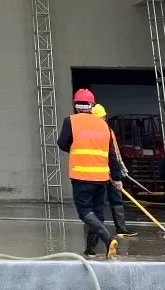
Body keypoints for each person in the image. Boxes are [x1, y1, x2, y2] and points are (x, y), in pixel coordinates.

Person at [57, 89, 124, 259]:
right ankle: (90, 250)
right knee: (98, 213)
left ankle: (108, 239)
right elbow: (111, 154)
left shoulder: (70, 121)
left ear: (76, 105)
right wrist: (117, 178)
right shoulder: (104, 125)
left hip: (81, 176)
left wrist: (76, 147)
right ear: (92, 105)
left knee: (85, 211)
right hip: (101, 178)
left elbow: (62, 144)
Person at [93, 104, 137, 238]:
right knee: (100, 202)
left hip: (109, 170)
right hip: (101, 172)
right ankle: (98, 231)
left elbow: (115, 153)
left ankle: (120, 229)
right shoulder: (97, 132)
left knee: (115, 200)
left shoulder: (107, 130)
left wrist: (120, 171)